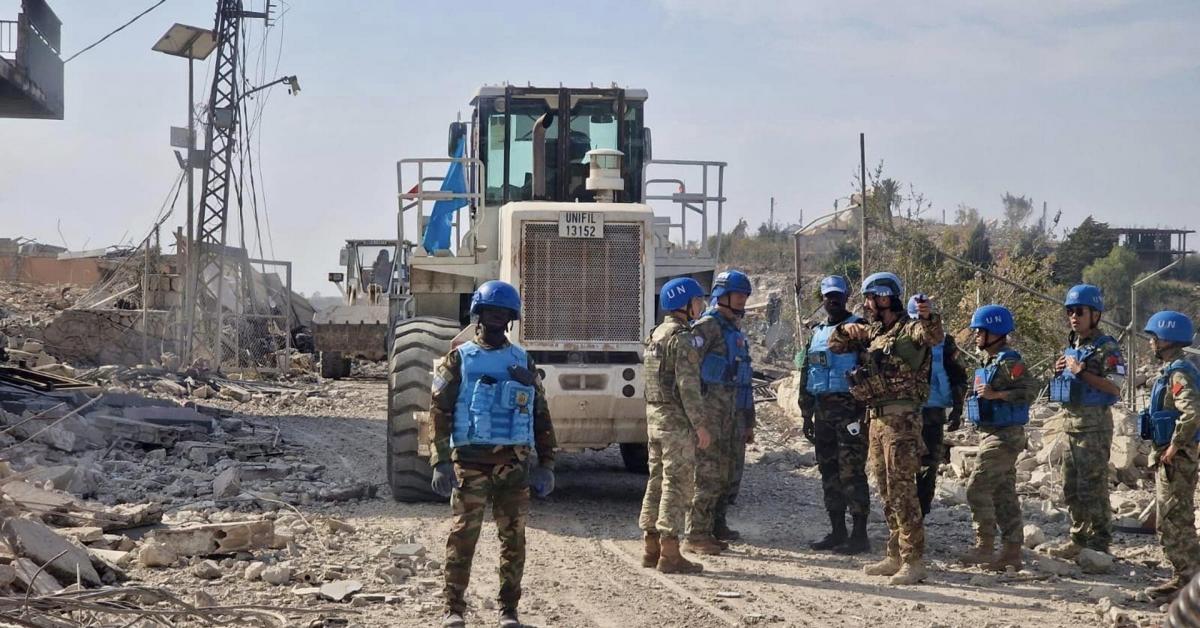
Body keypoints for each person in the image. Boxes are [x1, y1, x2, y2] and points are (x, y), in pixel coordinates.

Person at [428, 281, 557, 628]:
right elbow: (439, 412)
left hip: (514, 467)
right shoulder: (460, 359)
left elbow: (541, 415)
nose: (497, 320)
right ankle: (453, 608)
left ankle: (509, 610)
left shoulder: (523, 361)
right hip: (469, 465)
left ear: (511, 319)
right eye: (490, 313)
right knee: (462, 538)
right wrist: (439, 460)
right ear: (478, 316)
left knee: (514, 541)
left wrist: (546, 464)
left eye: (503, 314)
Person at [827, 272, 944, 585]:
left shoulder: (910, 329)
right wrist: (844, 329)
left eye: (871, 297)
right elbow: (835, 344)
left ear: (885, 296)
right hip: (877, 420)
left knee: (904, 490)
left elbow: (933, 336)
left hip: (902, 421)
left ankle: (913, 559)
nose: (866, 304)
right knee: (887, 492)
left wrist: (929, 314)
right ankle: (894, 553)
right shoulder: (876, 332)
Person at [638, 277, 713, 574]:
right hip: (676, 423)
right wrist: (701, 426)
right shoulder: (681, 339)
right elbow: (688, 388)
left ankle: (650, 547)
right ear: (683, 304)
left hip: (654, 419)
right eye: (696, 302)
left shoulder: (656, 335)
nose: (700, 307)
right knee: (676, 484)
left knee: (655, 480)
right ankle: (670, 553)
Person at [1045, 284, 1125, 560]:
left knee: (1094, 486)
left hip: (1094, 427)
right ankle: (1078, 538)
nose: (1074, 317)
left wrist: (1081, 373)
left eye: (1079, 311)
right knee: (1071, 487)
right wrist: (1058, 372)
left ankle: (1100, 543)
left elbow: (1115, 387)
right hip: (1070, 424)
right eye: (1070, 311)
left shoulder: (1107, 347)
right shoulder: (1073, 345)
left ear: (1095, 314)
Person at [959, 305, 1037, 572]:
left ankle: (985, 545)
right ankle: (1011, 552)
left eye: (980, 330)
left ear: (995, 332)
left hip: (1005, 435)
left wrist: (997, 396)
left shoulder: (1009, 361)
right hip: (990, 431)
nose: (976, 335)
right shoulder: (989, 362)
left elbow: (1029, 389)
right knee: (1003, 493)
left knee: (976, 487)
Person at [799, 275, 871, 554]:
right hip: (822, 412)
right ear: (822, 299)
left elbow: (871, 366)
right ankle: (837, 531)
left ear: (846, 297)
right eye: (828, 296)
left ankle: (860, 535)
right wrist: (806, 414)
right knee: (828, 471)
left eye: (838, 296)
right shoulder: (816, 333)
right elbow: (807, 372)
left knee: (852, 472)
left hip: (850, 412)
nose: (833, 300)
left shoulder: (858, 330)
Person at [686, 270, 755, 555]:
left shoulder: (734, 330)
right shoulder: (707, 327)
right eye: (739, 295)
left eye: (744, 296)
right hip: (710, 415)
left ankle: (717, 525)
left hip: (733, 415)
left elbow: (744, 378)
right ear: (722, 296)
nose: (743, 301)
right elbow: (687, 371)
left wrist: (749, 420)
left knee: (727, 474)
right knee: (707, 475)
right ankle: (697, 534)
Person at [1139, 311, 1199, 601]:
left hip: (1177, 457)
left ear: (1167, 339)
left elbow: (1191, 413)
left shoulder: (1179, 373)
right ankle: (1187, 578)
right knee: (1174, 517)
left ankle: (1188, 582)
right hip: (1171, 455)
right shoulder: (1175, 369)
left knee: (1174, 520)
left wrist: (1174, 446)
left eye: (1154, 338)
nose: (1151, 343)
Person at [906, 296, 968, 518]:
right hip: (904, 412)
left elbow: (958, 376)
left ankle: (920, 513)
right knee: (902, 465)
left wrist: (958, 410)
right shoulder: (900, 340)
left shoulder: (945, 342)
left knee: (928, 466)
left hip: (932, 412)